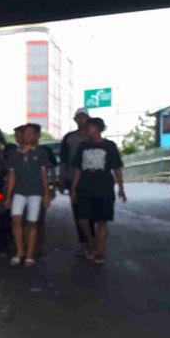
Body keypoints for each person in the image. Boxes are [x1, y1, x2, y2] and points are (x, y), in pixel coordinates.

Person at [71, 117, 126, 265]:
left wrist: (121, 188)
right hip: (85, 186)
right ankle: (91, 241)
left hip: (104, 187)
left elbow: (117, 168)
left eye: (91, 127)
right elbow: (77, 168)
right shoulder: (83, 146)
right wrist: (74, 188)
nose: (88, 130)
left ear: (98, 129)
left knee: (102, 220)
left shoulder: (110, 146)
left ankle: (100, 251)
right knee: (83, 219)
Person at [4, 123, 52, 267]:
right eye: (26, 133)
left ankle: (30, 254)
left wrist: (47, 194)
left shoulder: (40, 153)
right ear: (22, 135)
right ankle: (20, 251)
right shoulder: (14, 154)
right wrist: (8, 195)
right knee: (16, 220)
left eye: (32, 133)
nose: (29, 136)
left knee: (32, 222)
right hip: (19, 191)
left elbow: (44, 175)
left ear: (37, 136)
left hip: (35, 193)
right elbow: (12, 176)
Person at [60, 108, 95, 256]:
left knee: (92, 212)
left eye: (84, 118)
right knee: (78, 212)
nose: (82, 120)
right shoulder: (69, 138)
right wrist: (61, 179)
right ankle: (84, 244)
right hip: (72, 178)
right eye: (79, 118)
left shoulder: (93, 137)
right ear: (75, 120)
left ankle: (92, 241)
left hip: (92, 179)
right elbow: (63, 160)